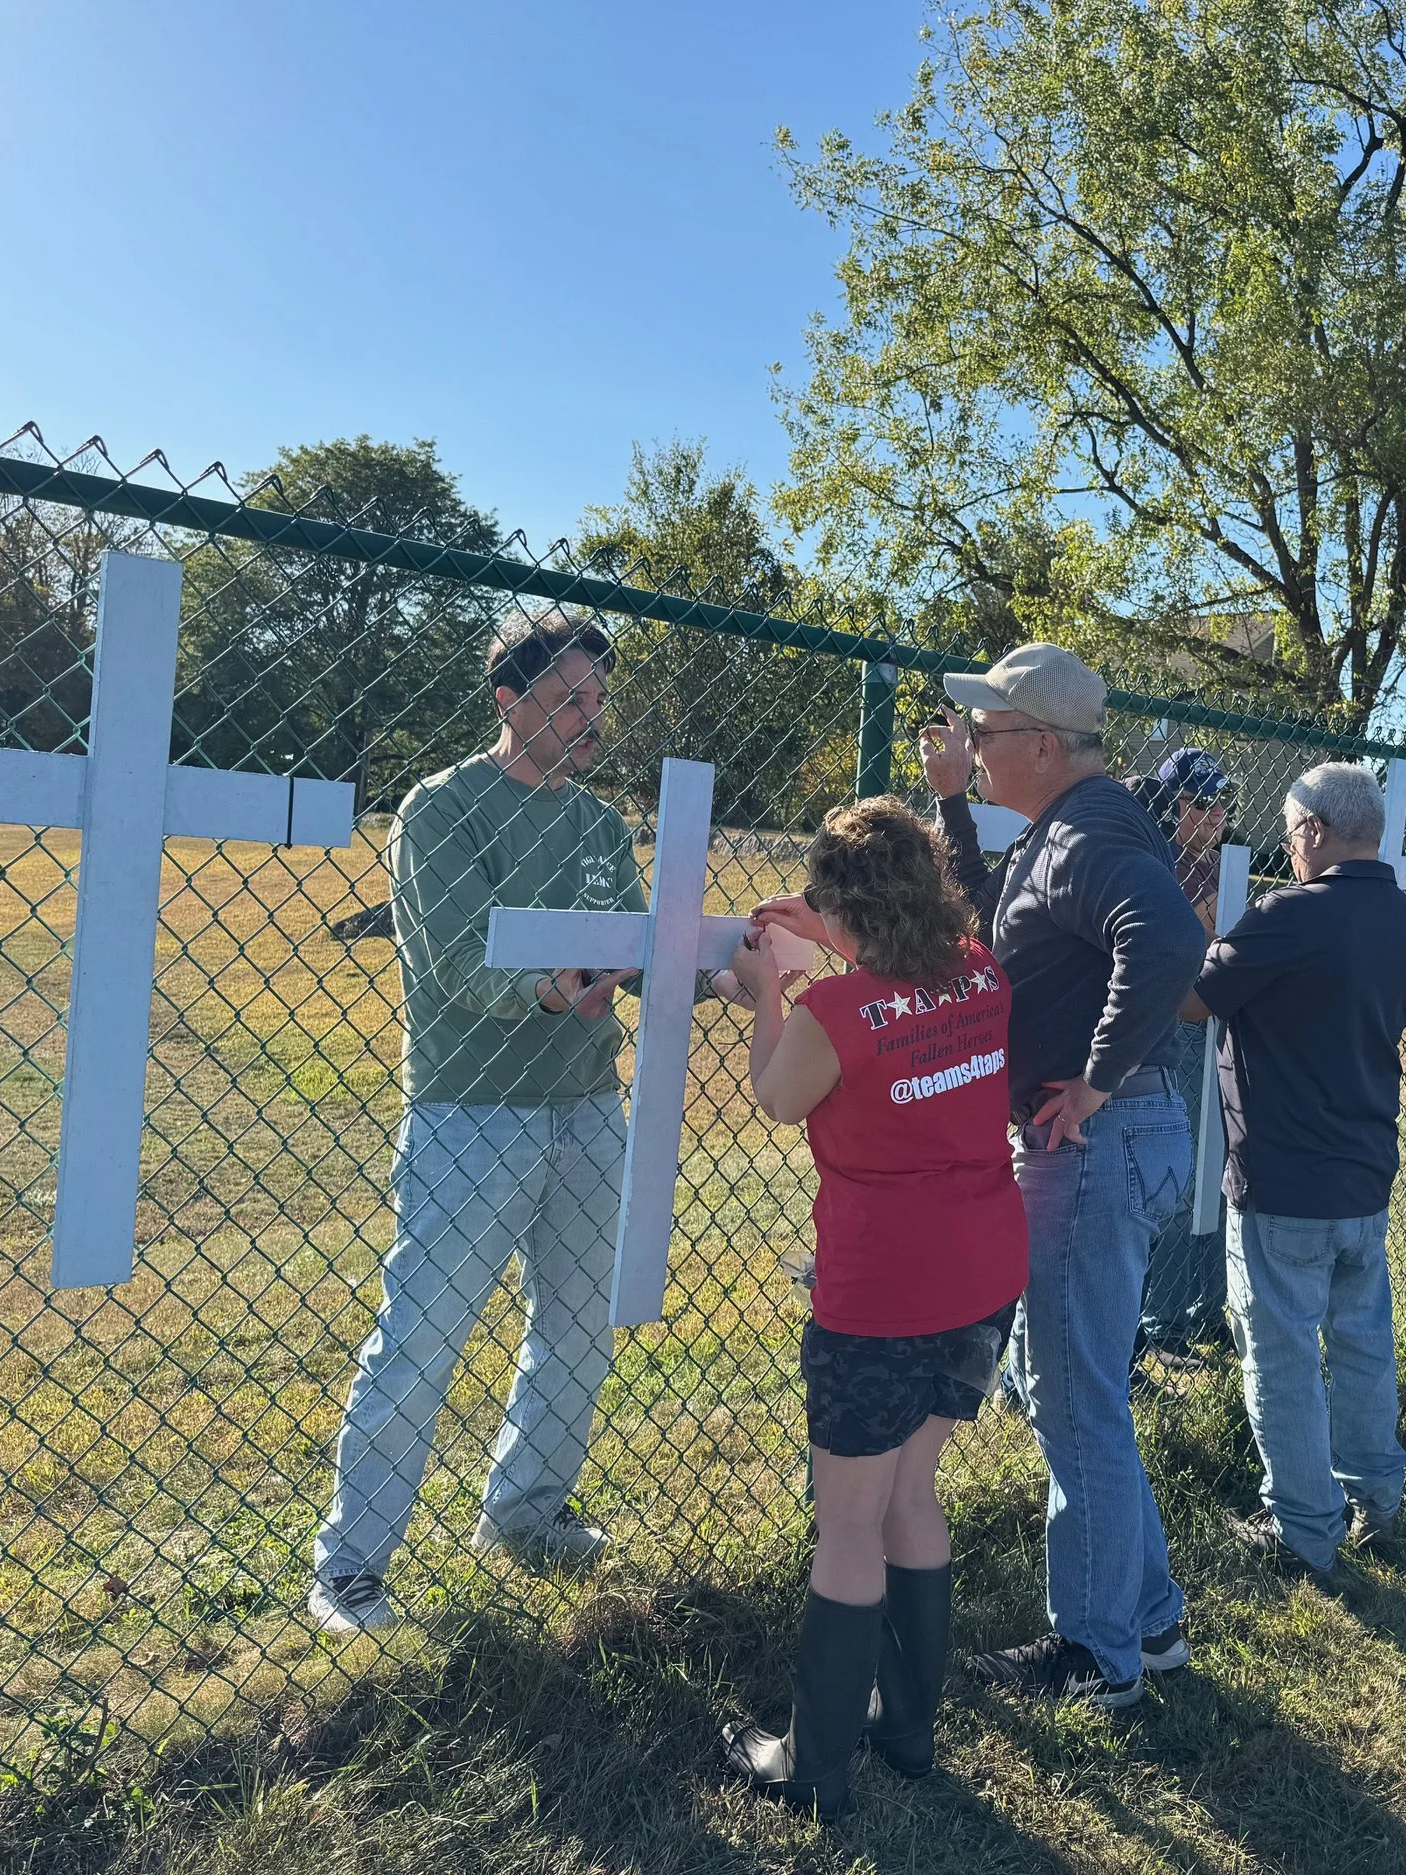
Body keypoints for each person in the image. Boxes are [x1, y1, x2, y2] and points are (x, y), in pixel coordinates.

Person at [310, 610, 644, 1634]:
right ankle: (350, 1571)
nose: (591, 719)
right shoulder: (443, 808)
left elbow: (635, 939)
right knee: (422, 1338)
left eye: (597, 700)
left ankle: (525, 1514)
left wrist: (716, 963)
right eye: (569, 699)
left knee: (580, 1328)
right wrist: (551, 990)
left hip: (589, 1107)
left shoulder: (595, 822)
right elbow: (453, 961)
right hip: (472, 1113)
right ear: (510, 701)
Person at [719, 800, 1028, 1818]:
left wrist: (770, 990)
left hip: (882, 1290)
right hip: (981, 1276)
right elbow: (910, 974)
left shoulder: (835, 1014)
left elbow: (775, 1093)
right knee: (912, 1497)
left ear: (842, 905)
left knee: (849, 1521)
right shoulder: (980, 971)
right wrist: (829, 930)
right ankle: (906, 1732)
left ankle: (812, 1762)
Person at [920, 642, 1206, 1708]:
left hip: (1091, 1141)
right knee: (1076, 1390)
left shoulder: (1091, 835)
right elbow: (994, 919)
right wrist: (953, 806)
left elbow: (1169, 939)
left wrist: (1091, 1079)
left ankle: (1096, 1654)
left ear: (1042, 745)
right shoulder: (1070, 829)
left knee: (1075, 1401)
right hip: (1103, 1142)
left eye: (985, 737)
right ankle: (1149, 1619)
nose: (973, 748)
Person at [1178, 763, 1406, 1577]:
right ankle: (1377, 1493)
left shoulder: (1290, 913)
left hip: (1283, 1174)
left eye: (1288, 831)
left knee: (1280, 1351)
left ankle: (1304, 1526)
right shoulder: (1403, 915)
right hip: (1364, 1168)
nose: (1287, 847)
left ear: (1316, 829)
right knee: (1361, 1341)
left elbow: (1195, 998)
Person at [1129, 746, 1235, 1360]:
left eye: (1223, 801)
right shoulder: (1163, 863)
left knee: (1218, 1173)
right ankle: (1161, 1316)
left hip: (1220, 1028)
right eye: (1202, 801)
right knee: (1182, 1172)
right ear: (1172, 807)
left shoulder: (1224, 867)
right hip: (1177, 1031)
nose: (1216, 813)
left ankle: (1205, 1305)